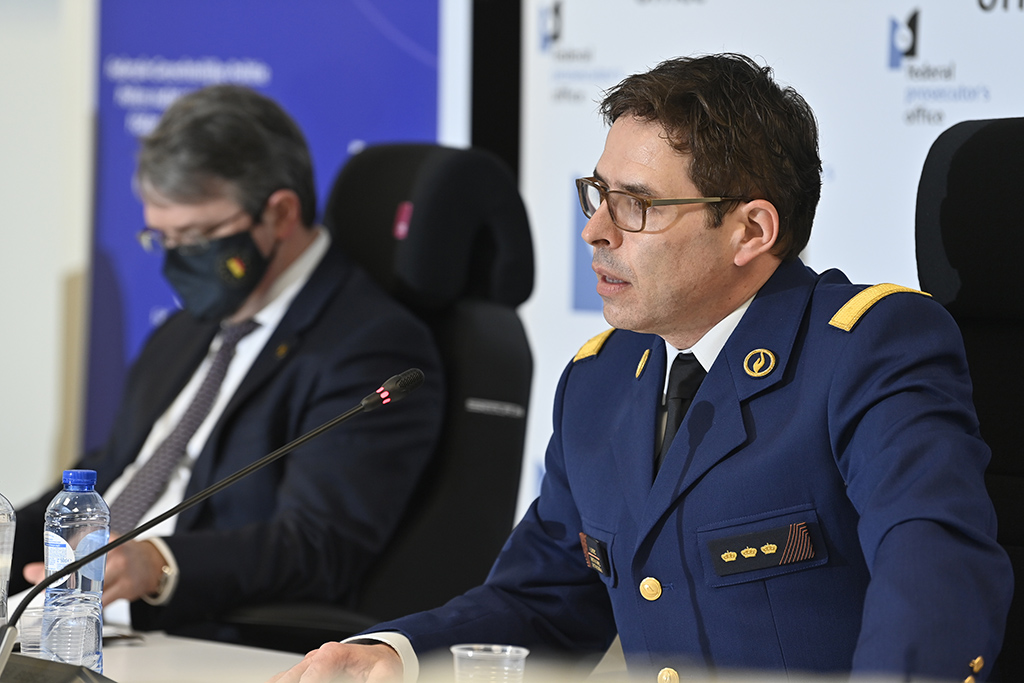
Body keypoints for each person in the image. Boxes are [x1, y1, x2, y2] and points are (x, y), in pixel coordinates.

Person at [269, 54, 1013, 683]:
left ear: (751, 229)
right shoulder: (599, 380)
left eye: (638, 205)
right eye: (598, 195)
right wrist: (391, 652)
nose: (594, 230)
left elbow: (934, 581)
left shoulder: (865, 348)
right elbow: (546, 597)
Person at [10, 84, 445, 633]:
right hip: (62, 617)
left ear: (281, 213)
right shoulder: (184, 330)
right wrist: (8, 536)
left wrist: (160, 564)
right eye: (161, 238)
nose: (175, 263)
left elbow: (318, 544)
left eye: (196, 238)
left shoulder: (370, 345)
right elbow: (116, 469)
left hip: (183, 632)